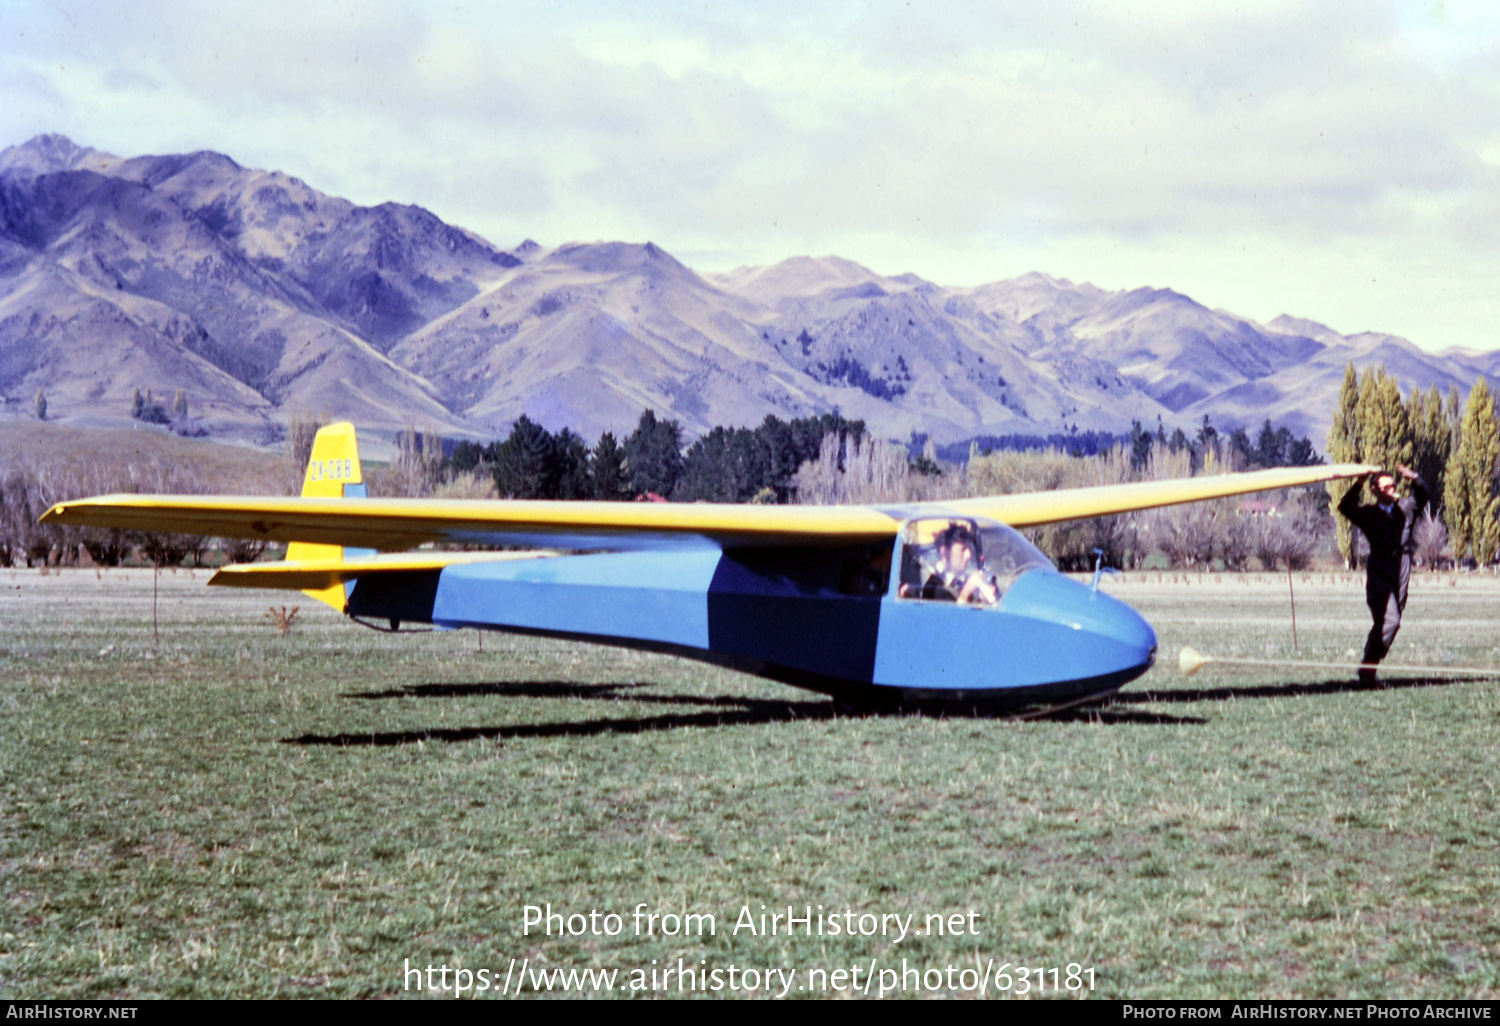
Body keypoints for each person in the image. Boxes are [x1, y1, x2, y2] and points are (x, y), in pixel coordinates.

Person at [1337, 465, 1429, 683]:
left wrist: (1415, 478)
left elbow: (1423, 495)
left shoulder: (1405, 509)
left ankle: (1369, 669)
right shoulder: (1369, 514)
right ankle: (1368, 667)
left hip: (1402, 566)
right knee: (1390, 620)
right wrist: (1359, 482)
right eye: (1385, 487)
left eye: (1393, 486)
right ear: (1374, 490)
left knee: (1389, 621)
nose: (1391, 490)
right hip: (1380, 568)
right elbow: (1345, 507)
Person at [918, 522, 999, 605]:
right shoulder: (933, 587)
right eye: (962, 550)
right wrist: (966, 592)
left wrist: (986, 597)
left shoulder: (961, 581)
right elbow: (948, 616)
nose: (969, 555)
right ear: (944, 551)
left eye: (969, 549)